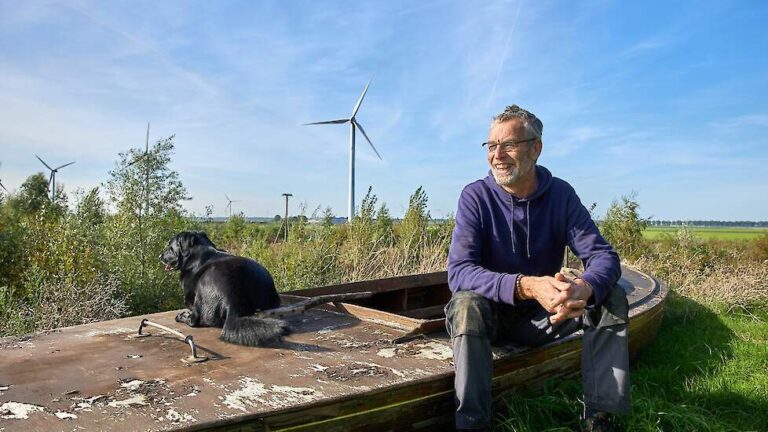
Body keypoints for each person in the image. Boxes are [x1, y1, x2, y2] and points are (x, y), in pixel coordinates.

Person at [445, 105, 631, 432]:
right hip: (490, 317)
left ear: (535, 148)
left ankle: (600, 419)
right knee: (465, 305)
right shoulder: (475, 197)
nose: (497, 155)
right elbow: (460, 272)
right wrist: (527, 286)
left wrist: (584, 288)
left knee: (610, 297)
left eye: (509, 145)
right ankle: (473, 425)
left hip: (546, 316)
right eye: (491, 146)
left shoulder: (560, 195)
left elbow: (604, 257)